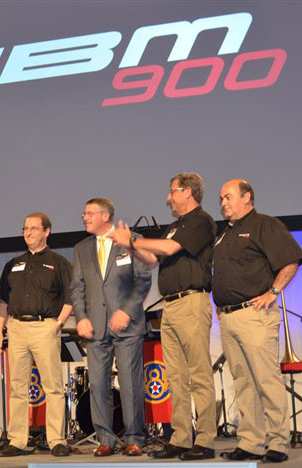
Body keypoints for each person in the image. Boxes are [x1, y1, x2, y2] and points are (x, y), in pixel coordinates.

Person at [109, 173, 217, 460]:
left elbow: (169, 249)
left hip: (191, 302)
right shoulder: (174, 226)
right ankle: (181, 438)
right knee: (176, 376)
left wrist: (132, 239)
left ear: (187, 193)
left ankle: (205, 440)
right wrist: (130, 245)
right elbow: (154, 259)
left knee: (199, 374)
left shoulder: (201, 221)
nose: (168, 198)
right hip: (170, 306)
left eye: (172, 192)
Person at [213, 179, 301, 463]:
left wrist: (273, 292)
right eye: (221, 199)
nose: (223, 203)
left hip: (254, 315)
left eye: (228, 197)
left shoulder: (265, 225)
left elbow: (291, 259)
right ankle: (250, 442)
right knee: (243, 382)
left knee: (265, 379)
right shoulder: (225, 234)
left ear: (247, 196)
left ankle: (277, 443)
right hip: (228, 317)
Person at [71, 199, 151, 456]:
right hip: (95, 328)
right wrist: (81, 317)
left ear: (105, 215)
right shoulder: (82, 248)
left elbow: (143, 280)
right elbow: (78, 287)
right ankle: (105, 439)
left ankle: (134, 438)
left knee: (130, 385)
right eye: (84, 213)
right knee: (98, 385)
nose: (84, 217)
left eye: (89, 213)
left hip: (127, 326)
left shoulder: (130, 240)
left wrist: (126, 311)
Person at [0, 212, 72, 457]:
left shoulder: (59, 263)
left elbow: (71, 299)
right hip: (16, 328)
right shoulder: (13, 263)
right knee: (17, 387)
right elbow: (3, 300)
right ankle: (17, 440)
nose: (28, 232)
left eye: (34, 228)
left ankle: (56, 439)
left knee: (53, 387)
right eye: (25, 228)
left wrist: (56, 324)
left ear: (47, 231)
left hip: (44, 326)